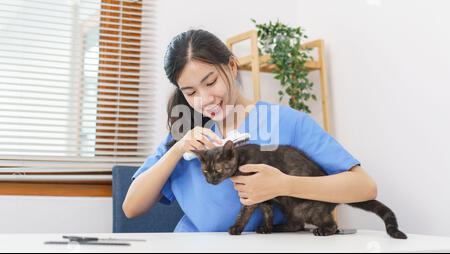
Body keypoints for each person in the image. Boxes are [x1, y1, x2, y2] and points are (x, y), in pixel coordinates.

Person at [122, 29, 377, 232]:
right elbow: (131, 207)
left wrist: (285, 184)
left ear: (232, 67)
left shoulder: (285, 122)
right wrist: (177, 150)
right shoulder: (186, 132)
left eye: (210, 82)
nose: (204, 99)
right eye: (190, 92)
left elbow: (363, 187)